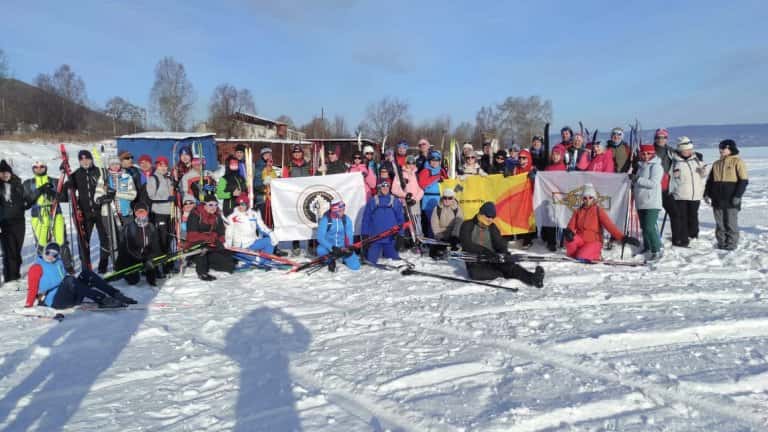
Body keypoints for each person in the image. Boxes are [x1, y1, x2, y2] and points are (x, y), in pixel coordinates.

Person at [25, 242, 136, 309]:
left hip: (70, 295)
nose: (51, 257)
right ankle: (102, 299)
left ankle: (116, 294)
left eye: (55, 255)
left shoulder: (58, 262)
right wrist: (28, 304)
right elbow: (32, 288)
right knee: (69, 280)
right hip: (55, 301)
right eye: (48, 253)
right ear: (44, 252)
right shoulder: (36, 267)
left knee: (86, 273)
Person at [459, 202, 544, 287]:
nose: (490, 219)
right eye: (488, 216)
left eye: (492, 217)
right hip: (475, 260)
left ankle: (533, 279)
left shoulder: (492, 226)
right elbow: (467, 245)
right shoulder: (468, 225)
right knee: (475, 274)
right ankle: (503, 273)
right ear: (481, 213)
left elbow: (499, 242)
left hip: (492, 257)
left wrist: (504, 253)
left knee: (510, 266)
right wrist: (486, 252)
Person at [22, 160, 75, 273]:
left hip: (55, 213)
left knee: (61, 241)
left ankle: (68, 266)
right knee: (42, 243)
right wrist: (40, 190)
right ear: (33, 169)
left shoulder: (54, 181)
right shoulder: (28, 183)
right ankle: (44, 267)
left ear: (45, 168)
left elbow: (64, 198)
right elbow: (26, 203)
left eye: (41, 166)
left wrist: (67, 187)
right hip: (39, 216)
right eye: (36, 167)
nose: (39, 169)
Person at [563, 183, 640, 261]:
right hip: (581, 240)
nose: (587, 200)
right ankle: (577, 254)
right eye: (585, 198)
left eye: (590, 198)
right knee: (570, 240)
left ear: (594, 198)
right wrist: (568, 232)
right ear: (582, 199)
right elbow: (571, 226)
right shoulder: (578, 211)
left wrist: (623, 237)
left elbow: (609, 226)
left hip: (594, 241)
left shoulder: (598, 210)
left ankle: (596, 255)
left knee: (581, 257)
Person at [69, 150, 112, 273]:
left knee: (105, 239)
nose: (85, 161)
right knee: (83, 240)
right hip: (85, 213)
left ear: (91, 159)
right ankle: (86, 267)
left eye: (87, 159)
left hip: (101, 211)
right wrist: (67, 180)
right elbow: (67, 191)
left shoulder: (100, 172)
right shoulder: (76, 174)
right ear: (79, 161)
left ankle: (103, 266)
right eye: (82, 159)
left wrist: (108, 191)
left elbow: (110, 184)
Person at [705, 139, 749, 251]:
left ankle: (731, 244)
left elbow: (743, 181)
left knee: (730, 223)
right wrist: (706, 194)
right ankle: (721, 243)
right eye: (720, 147)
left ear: (730, 149)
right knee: (720, 224)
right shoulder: (716, 164)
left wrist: (737, 196)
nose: (720, 150)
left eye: (723, 148)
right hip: (717, 200)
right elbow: (710, 181)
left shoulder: (738, 162)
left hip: (731, 199)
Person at [668, 136, 707, 247]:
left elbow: (704, 173)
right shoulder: (674, 160)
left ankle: (693, 235)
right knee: (682, 217)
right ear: (680, 150)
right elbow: (670, 176)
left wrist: (703, 171)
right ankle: (683, 238)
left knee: (693, 216)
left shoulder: (697, 159)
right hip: (680, 194)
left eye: (690, 149)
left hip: (695, 194)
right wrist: (674, 176)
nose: (688, 151)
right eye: (686, 150)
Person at [186, 195, 234, 281]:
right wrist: (210, 238)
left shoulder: (217, 215)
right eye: (210, 205)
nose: (214, 207)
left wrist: (220, 240)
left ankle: (206, 262)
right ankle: (202, 272)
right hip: (195, 245)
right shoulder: (195, 214)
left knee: (229, 266)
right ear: (204, 205)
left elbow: (221, 232)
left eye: (216, 205)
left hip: (210, 245)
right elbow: (191, 236)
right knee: (202, 249)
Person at [631, 144, 664, 260]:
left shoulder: (656, 167)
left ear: (653, 154)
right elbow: (638, 183)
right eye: (643, 153)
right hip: (641, 201)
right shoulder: (640, 166)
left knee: (649, 227)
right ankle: (647, 247)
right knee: (644, 227)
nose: (645, 156)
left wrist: (637, 179)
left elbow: (654, 184)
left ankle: (656, 250)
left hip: (652, 202)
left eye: (648, 153)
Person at [116, 203, 161, 286]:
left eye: (142, 212)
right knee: (134, 281)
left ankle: (147, 269)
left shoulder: (151, 227)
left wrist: (148, 258)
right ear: (135, 213)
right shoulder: (130, 227)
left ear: (147, 212)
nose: (141, 214)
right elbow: (129, 248)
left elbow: (155, 245)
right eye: (138, 212)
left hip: (145, 256)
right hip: (131, 257)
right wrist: (139, 257)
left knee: (152, 278)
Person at [281, 145, 314, 255]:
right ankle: (292, 246)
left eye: (299, 152)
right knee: (293, 221)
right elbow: (284, 181)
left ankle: (306, 246)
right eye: (295, 153)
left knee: (306, 221)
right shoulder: (288, 166)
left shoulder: (308, 166)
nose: (297, 154)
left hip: (305, 198)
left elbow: (314, 179)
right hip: (293, 198)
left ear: (302, 153)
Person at [362, 180, 404, 264]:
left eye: (387, 186)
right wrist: (365, 235)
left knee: (395, 260)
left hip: (390, 238)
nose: (385, 188)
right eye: (383, 186)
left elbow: (401, 219)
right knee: (371, 261)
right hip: (375, 238)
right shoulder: (373, 201)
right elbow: (366, 219)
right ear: (379, 187)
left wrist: (400, 235)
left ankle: (387, 252)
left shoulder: (395, 201)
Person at [145, 156, 175, 274]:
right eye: (160, 165)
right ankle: (158, 265)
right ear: (156, 166)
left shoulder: (168, 179)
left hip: (170, 213)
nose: (163, 167)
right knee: (160, 240)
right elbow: (151, 195)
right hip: (159, 213)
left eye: (165, 165)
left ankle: (167, 264)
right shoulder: (153, 178)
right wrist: (167, 198)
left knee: (168, 239)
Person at [0, 160, 26, 288]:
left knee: (17, 249)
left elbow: (27, 201)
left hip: (19, 222)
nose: (5, 175)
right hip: (5, 222)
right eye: (2, 173)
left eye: (7, 172)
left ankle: (16, 275)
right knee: (8, 250)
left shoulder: (18, 184)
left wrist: (40, 191)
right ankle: (9, 277)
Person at [316, 200, 360, 272]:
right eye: (340, 210)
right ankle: (330, 260)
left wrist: (348, 247)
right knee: (320, 250)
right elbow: (320, 238)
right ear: (334, 210)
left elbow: (349, 236)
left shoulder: (346, 219)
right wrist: (332, 247)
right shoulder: (325, 220)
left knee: (356, 266)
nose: (342, 212)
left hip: (342, 247)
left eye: (343, 210)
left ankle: (342, 258)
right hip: (329, 247)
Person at [417, 151, 448, 236]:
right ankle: (432, 241)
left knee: (441, 221)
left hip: (441, 199)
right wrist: (437, 177)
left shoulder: (442, 170)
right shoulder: (425, 171)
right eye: (432, 160)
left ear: (440, 161)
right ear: (429, 161)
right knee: (432, 222)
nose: (435, 162)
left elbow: (448, 182)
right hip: (428, 200)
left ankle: (440, 240)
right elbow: (422, 184)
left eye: (437, 160)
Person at [429, 188, 463, 258]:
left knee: (455, 249)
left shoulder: (457, 209)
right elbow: (434, 223)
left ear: (453, 199)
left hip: (452, 234)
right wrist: (439, 236)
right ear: (442, 198)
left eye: (450, 198)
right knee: (434, 253)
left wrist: (455, 236)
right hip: (441, 234)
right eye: (445, 198)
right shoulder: (437, 208)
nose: (447, 200)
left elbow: (459, 223)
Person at [105, 156, 138, 226]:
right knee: (115, 236)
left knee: (128, 235)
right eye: (112, 164)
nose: (115, 166)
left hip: (126, 213)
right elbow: (100, 193)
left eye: (117, 164)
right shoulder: (105, 178)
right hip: (111, 214)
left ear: (120, 165)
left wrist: (116, 194)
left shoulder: (127, 177)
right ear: (109, 166)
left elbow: (133, 195)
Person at [653, 128, 675, 218]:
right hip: (653, 187)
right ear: (655, 138)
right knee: (653, 214)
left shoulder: (671, 151)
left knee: (674, 213)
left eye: (663, 137)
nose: (661, 139)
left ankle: (677, 232)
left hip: (667, 187)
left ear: (667, 138)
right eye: (658, 137)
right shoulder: (650, 151)